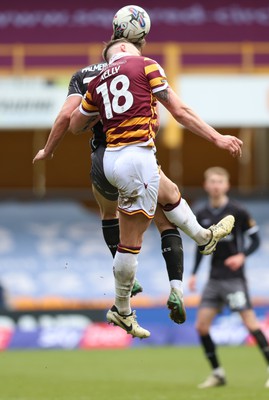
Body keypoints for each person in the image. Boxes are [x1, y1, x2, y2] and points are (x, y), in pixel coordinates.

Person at [69, 38, 242, 339]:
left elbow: (74, 125)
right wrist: (217, 138)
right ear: (127, 48)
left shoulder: (96, 82)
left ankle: (204, 237)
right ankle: (121, 310)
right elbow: (181, 111)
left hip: (111, 158)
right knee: (131, 242)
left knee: (170, 194)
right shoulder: (146, 64)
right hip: (137, 154)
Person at [188, 166, 269, 388]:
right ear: (206, 185)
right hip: (214, 279)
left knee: (250, 323)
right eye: (212, 182)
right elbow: (200, 246)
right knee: (201, 327)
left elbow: (256, 240)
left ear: (226, 185)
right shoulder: (202, 215)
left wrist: (242, 256)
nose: (215, 186)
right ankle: (218, 373)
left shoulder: (238, 211)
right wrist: (194, 273)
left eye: (219, 182)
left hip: (234, 279)